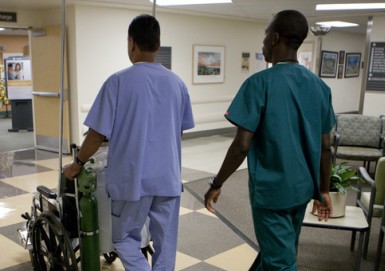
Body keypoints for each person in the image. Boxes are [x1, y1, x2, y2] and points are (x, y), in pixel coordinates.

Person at [204, 9, 336, 271]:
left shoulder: (258, 84)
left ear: (275, 38)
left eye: (265, 35)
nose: (263, 42)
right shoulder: (320, 87)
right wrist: (323, 190)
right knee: (279, 251)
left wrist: (216, 183)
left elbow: (242, 145)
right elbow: (325, 146)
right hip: (302, 190)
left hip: (272, 192)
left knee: (280, 262)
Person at [63, 14, 195, 271]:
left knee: (124, 240)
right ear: (158, 45)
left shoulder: (118, 82)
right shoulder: (177, 84)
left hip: (131, 180)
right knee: (166, 246)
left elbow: (96, 136)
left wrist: (77, 164)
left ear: (131, 43)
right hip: (167, 178)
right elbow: (177, 133)